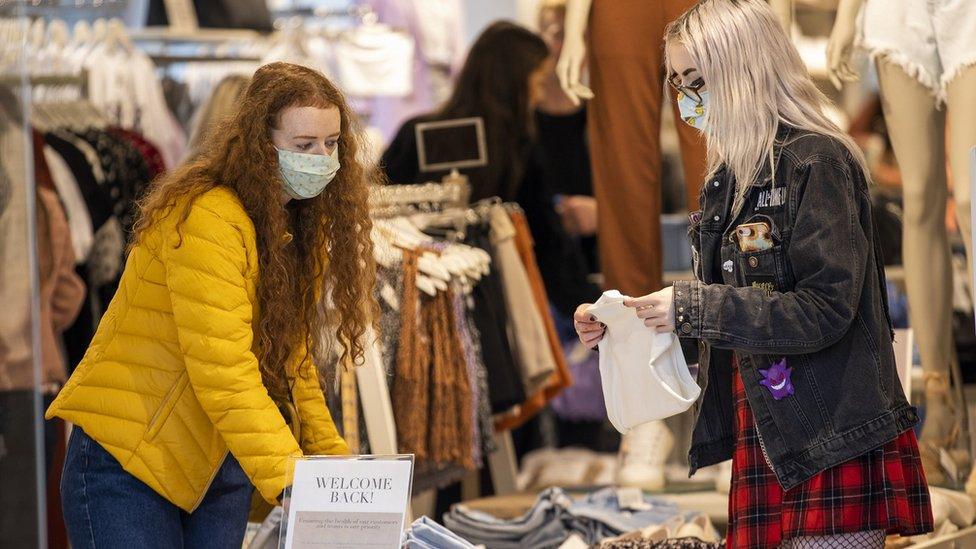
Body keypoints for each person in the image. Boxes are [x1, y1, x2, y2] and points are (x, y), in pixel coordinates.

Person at [573, 1, 933, 547]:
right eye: (676, 83)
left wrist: (692, 306)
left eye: (696, 81)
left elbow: (825, 309)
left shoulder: (819, 161)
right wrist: (628, 322)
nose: (686, 101)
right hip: (762, 433)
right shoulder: (726, 182)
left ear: (741, 68)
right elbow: (739, 316)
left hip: (832, 436)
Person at [46, 62, 376, 548]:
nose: (321, 158)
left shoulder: (296, 226)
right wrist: (292, 478)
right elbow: (223, 369)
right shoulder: (208, 218)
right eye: (304, 146)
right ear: (261, 145)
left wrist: (333, 470)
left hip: (216, 465)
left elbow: (294, 362)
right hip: (131, 461)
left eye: (331, 144)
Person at [382, 20, 598, 318]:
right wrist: (595, 308)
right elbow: (548, 243)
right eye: (537, 83)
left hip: (411, 295)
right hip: (487, 301)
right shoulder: (516, 149)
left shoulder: (415, 132)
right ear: (515, 84)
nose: (538, 95)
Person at [535, 0, 599, 273]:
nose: (568, 47)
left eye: (582, 37)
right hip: (539, 253)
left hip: (595, 256)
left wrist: (601, 214)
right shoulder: (522, 119)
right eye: (554, 34)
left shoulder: (599, 116)